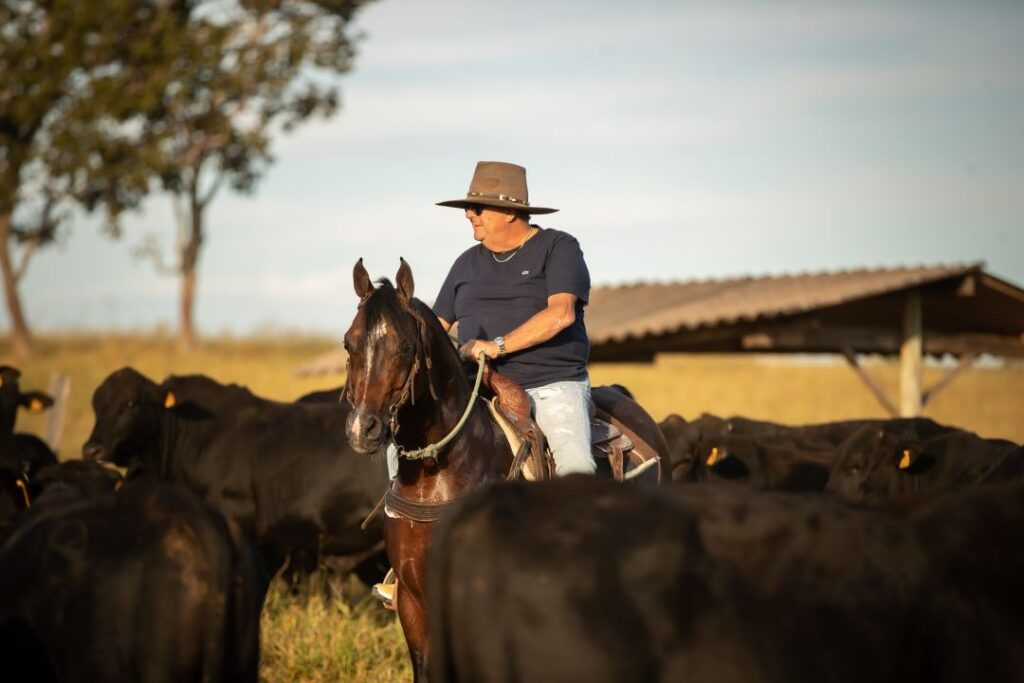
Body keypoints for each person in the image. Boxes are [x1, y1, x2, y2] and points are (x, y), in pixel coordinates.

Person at [431, 160, 595, 477]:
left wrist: (496, 347)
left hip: (550, 386)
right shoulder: (464, 263)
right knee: (403, 452)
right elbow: (436, 331)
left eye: (477, 208)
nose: (468, 214)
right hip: (475, 390)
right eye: (468, 208)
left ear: (509, 212)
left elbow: (561, 314)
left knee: (576, 468)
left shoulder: (558, 247)